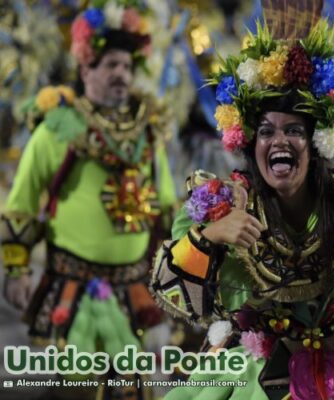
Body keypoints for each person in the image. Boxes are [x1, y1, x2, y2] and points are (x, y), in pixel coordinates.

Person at [150, 9, 334, 400]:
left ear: (316, 142)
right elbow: (168, 287)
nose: (279, 141)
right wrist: (209, 236)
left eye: (294, 130)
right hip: (252, 378)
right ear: (250, 143)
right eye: (266, 131)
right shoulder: (221, 204)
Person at [0, 2, 176, 398]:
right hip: (73, 286)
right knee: (76, 389)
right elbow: (22, 200)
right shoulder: (58, 129)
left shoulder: (147, 133)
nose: (121, 75)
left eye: (127, 67)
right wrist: (16, 269)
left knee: (135, 390)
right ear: (85, 70)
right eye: (111, 64)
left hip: (135, 285)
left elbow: (166, 210)